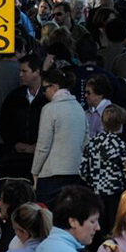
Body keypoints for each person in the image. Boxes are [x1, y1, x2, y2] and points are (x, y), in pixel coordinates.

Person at [32, 67, 87, 204]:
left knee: (48, 218)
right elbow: (86, 141)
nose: (44, 93)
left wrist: (35, 171)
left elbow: (43, 146)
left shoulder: (50, 109)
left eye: (44, 89)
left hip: (52, 173)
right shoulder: (79, 108)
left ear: (54, 87)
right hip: (75, 171)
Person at [0, 53, 47, 181]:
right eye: (20, 71)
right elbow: (4, 124)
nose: (20, 75)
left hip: (41, 159)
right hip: (15, 157)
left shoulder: (48, 99)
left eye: (24, 71)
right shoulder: (14, 97)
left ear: (36, 72)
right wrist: (14, 144)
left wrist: (36, 147)